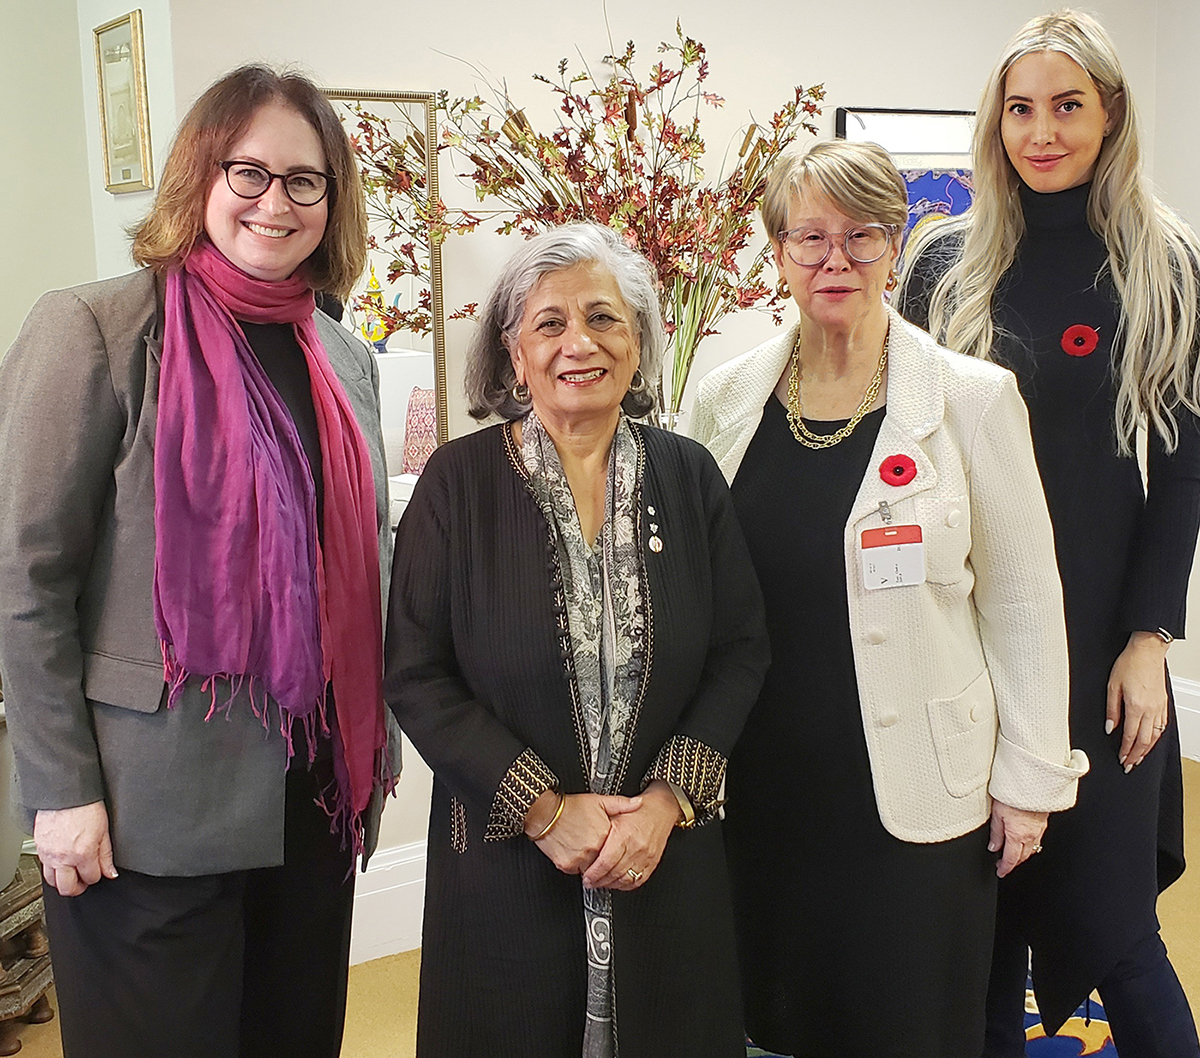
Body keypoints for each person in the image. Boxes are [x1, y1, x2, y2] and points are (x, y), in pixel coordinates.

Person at [0, 65, 398, 1058]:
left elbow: (364, 567)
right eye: (248, 171)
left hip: (312, 804)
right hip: (144, 817)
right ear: (198, 175)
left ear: (333, 200)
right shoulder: (94, 329)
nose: (276, 201)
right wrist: (57, 790)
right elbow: (24, 574)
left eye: (306, 180)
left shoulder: (344, 359)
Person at [689, 139, 1088, 1058]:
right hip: (764, 784)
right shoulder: (724, 400)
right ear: (778, 251)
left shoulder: (971, 399)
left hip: (915, 788)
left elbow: (1026, 601)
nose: (836, 261)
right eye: (810, 238)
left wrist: (1028, 784)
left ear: (897, 246)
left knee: (906, 1022)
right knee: (771, 1017)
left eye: (862, 238)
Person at [385, 222, 770, 1058]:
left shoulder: (688, 472)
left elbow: (741, 650)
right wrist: (544, 810)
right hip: (505, 862)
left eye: (604, 319)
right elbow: (416, 672)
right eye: (549, 324)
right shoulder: (459, 481)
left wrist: (667, 803)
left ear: (639, 346)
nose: (578, 344)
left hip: (664, 853)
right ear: (514, 355)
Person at [897, 11, 1200, 1057]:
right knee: (977, 929)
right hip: (968, 645)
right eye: (1020, 107)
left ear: (1109, 112)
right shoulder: (944, 264)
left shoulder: (1163, 264)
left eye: (1068, 105)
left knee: (1119, 935)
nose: (1042, 130)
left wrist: (1151, 640)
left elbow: (1182, 472)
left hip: (1102, 655)